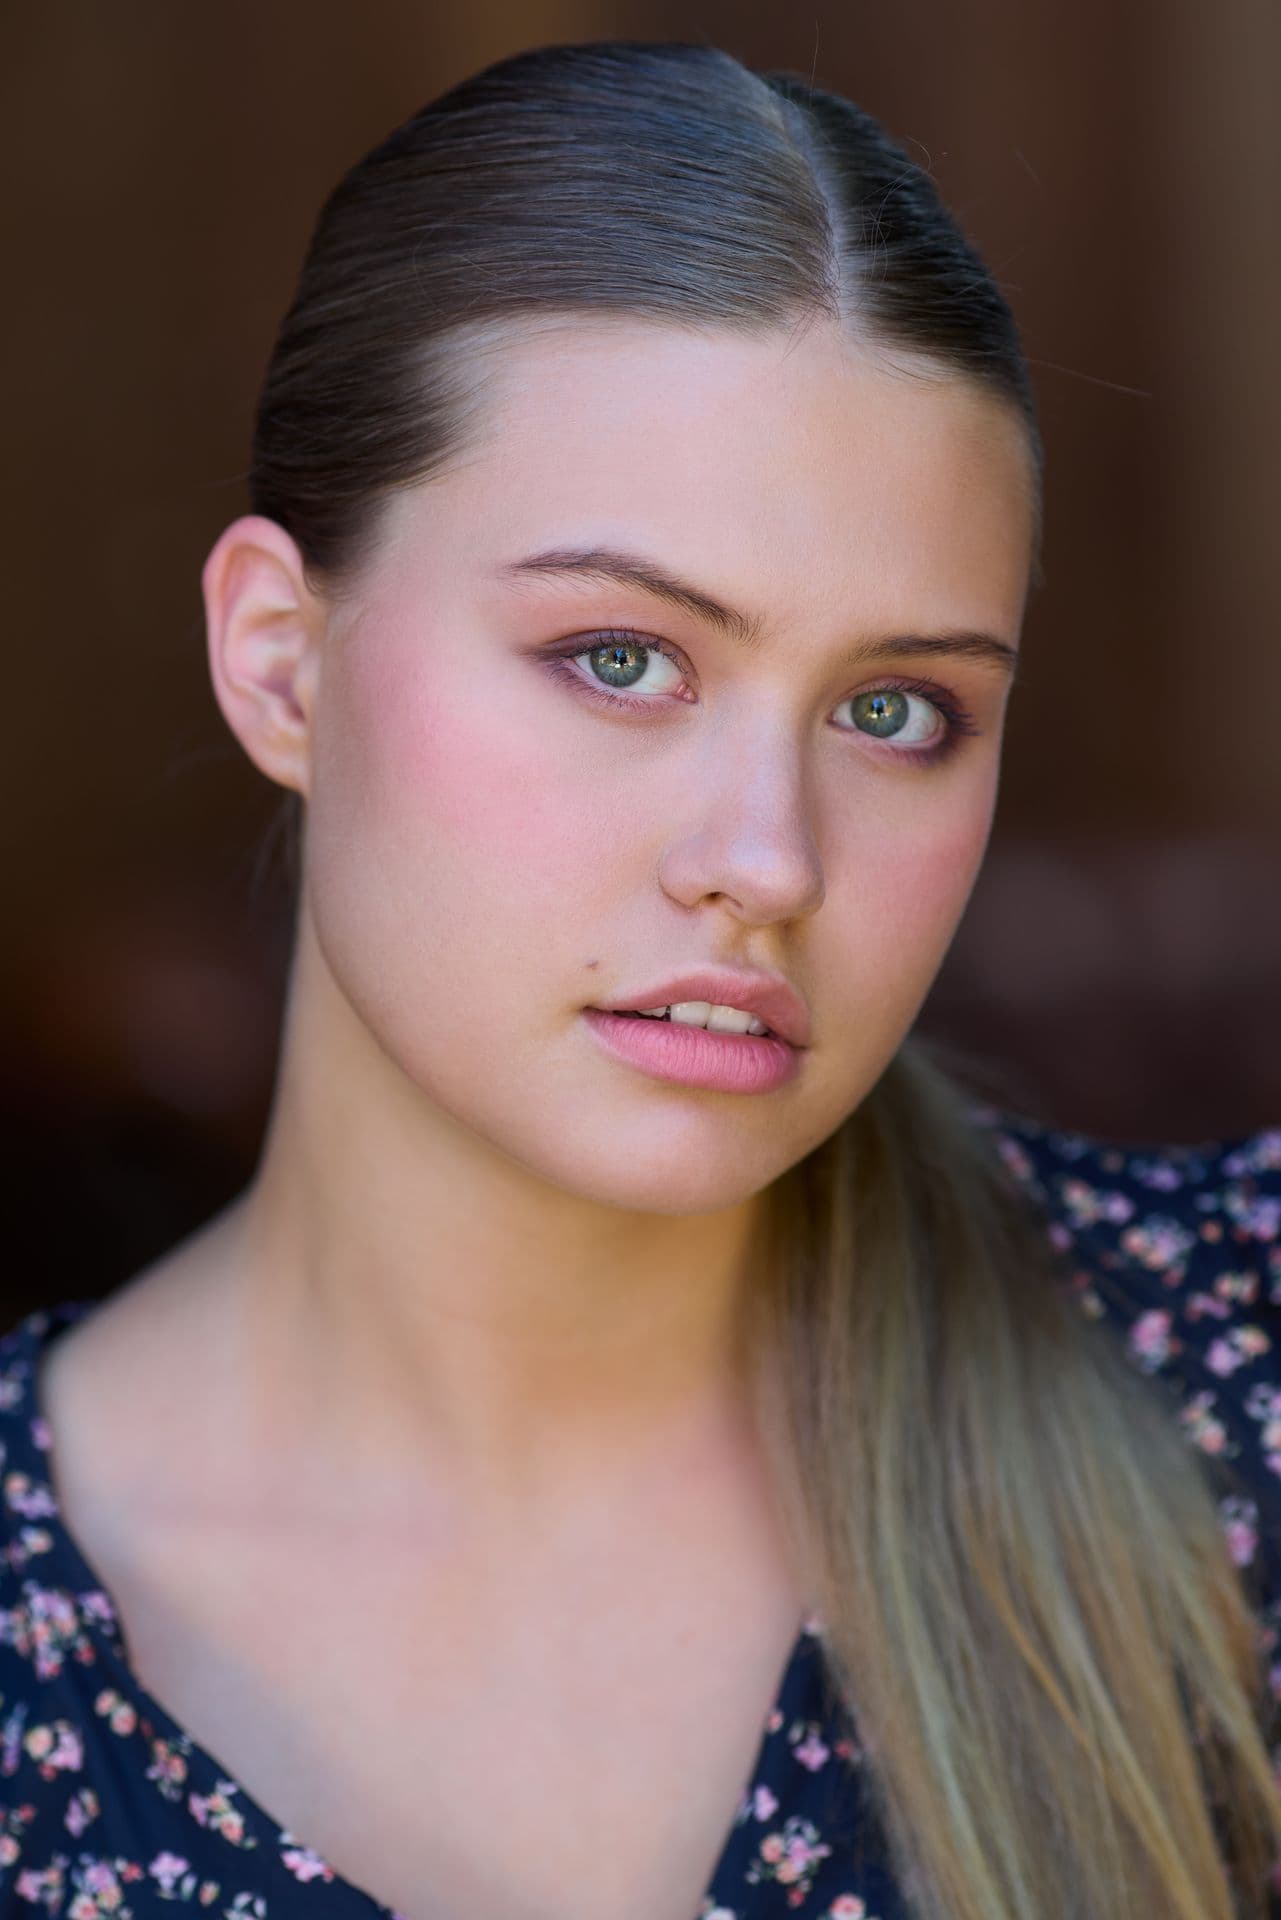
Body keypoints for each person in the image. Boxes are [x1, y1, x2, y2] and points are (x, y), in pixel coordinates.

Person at [1, 37, 1277, 1920]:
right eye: (620, 658)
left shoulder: (1232, 1384)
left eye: (895, 711)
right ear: (281, 662)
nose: (767, 859)